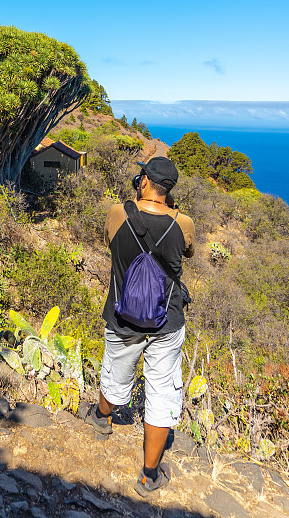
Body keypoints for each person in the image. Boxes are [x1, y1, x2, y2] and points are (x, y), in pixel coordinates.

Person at [85, 156, 195, 497]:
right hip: (167, 319)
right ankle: (149, 475)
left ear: (143, 180)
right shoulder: (184, 222)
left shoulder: (118, 213)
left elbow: (109, 240)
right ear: (169, 189)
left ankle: (100, 419)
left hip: (123, 314)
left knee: (116, 371)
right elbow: (187, 251)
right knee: (161, 390)